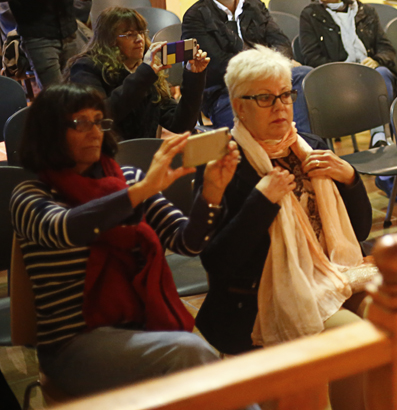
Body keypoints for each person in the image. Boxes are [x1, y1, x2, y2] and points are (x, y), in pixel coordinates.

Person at [9, 83, 247, 400]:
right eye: (80, 123)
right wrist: (142, 191)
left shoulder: (128, 180)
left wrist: (212, 192)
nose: (95, 132)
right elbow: (68, 228)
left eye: (99, 121)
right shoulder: (30, 195)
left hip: (140, 329)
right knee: (189, 353)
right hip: (73, 345)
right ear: (49, 132)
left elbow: (187, 243)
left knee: (195, 368)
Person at [194, 46, 373, 410]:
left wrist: (351, 178)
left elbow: (361, 229)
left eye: (285, 95)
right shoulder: (224, 163)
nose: (280, 107)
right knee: (355, 338)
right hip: (260, 298)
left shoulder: (310, 148)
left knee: (383, 306)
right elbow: (217, 261)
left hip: (328, 275)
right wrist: (262, 202)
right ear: (239, 106)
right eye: (265, 98)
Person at [182, 0, 312, 132]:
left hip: (272, 85)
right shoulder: (195, 16)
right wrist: (268, 67)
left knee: (305, 75)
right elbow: (217, 66)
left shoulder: (254, 5)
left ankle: (302, 146)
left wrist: (274, 69)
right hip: (228, 93)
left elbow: (280, 42)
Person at [299, 0, 397, 146]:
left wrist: (376, 60)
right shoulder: (311, 15)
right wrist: (345, 71)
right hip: (335, 80)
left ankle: (379, 138)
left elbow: (386, 48)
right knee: (379, 79)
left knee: (383, 73)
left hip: (368, 76)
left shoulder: (365, 12)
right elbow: (312, 57)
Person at [66, 7, 208, 140]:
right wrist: (144, 74)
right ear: (110, 40)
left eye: (141, 32)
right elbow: (102, 117)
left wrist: (194, 76)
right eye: (129, 35)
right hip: (106, 151)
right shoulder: (86, 67)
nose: (139, 39)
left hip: (142, 151)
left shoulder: (148, 71)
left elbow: (180, 125)